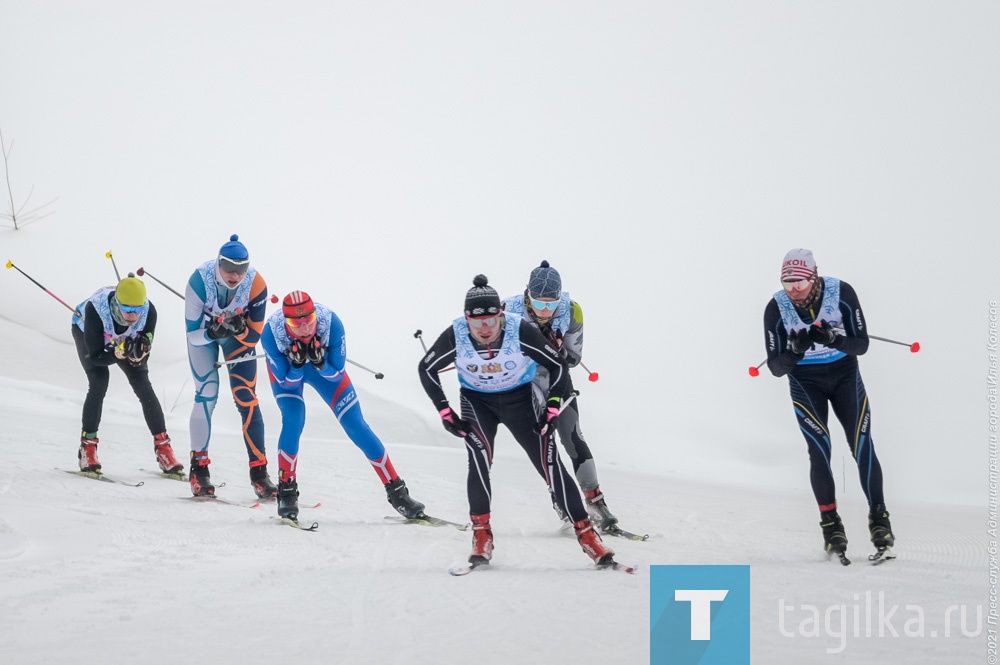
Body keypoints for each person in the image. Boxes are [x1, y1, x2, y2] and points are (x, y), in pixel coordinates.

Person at [418, 274, 618, 568]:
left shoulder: (518, 328)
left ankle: (589, 538)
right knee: (479, 461)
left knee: (550, 465)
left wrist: (551, 408)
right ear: (466, 320)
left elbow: (559, 365)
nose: (484, 329)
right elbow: (427, 369)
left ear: (501, 315)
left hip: (520, 401)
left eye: (491, 321)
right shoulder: (456, 333)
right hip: (477, 403)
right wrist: (445, 412)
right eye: (476, 323)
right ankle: (482, 536)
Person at [763, 248, 894, 558]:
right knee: (819, 450)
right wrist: (795, 351)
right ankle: (831, 526)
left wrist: (835, 340)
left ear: (814, 275)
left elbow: (861, 345)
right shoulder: (775, 308)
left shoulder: (841, 293)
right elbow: (775, 367)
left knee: (862, 445)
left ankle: (880, 519)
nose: (794, 290)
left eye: (800, 282)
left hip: (845, 376)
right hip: (805, 382)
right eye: (787, 283)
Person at [260, 290, 426, 521]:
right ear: (286, 322)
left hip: (326, 374)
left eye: (308, 321)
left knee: (356, 425)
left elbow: (337, 374)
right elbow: (284, 381)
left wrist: (319, 363)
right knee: (294, 421)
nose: (305, 329)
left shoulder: (330, 322)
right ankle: (287, 493)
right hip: (289, 377)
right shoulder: (272, 333)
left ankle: (399, 495)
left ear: (315, 315)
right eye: (296, 324)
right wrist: (298, 366)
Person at [502, 260, 619, 532]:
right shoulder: (507, 310)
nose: (545, 311)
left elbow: (575, 358)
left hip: (557, 378)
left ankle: (595, 501)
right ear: (527, 295)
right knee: (544, 441)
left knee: (572, 435)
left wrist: (558, 350)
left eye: (551, 304)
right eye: (539, 303)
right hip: (524, 381)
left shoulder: (573, 311)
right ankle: (560, 496)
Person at [184, 234, 275, 498]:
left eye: (241, 269)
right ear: (218, 263)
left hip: (236, 338)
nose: (234, 275)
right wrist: (213, 333)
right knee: (207, 393)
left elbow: (253, 337)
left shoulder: (256, 284)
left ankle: (260, 474)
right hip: (204, 335)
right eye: (228, 268)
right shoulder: (199, 281)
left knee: (246, 397)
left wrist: (237, 329)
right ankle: (199, 470)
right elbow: (192, 336)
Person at [72, 273, 182, 475]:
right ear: (117, 302)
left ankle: (164, 448)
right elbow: (96, 357)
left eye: (137, 309)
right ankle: (88, 447)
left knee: (143, 384)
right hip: (88, 331)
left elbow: (144, 353)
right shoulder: (95, 310)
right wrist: (116, 353)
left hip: (121, 341)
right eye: (127, 309)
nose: (133, 315)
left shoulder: (149, 312)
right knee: (99, 382)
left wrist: (137, 355)